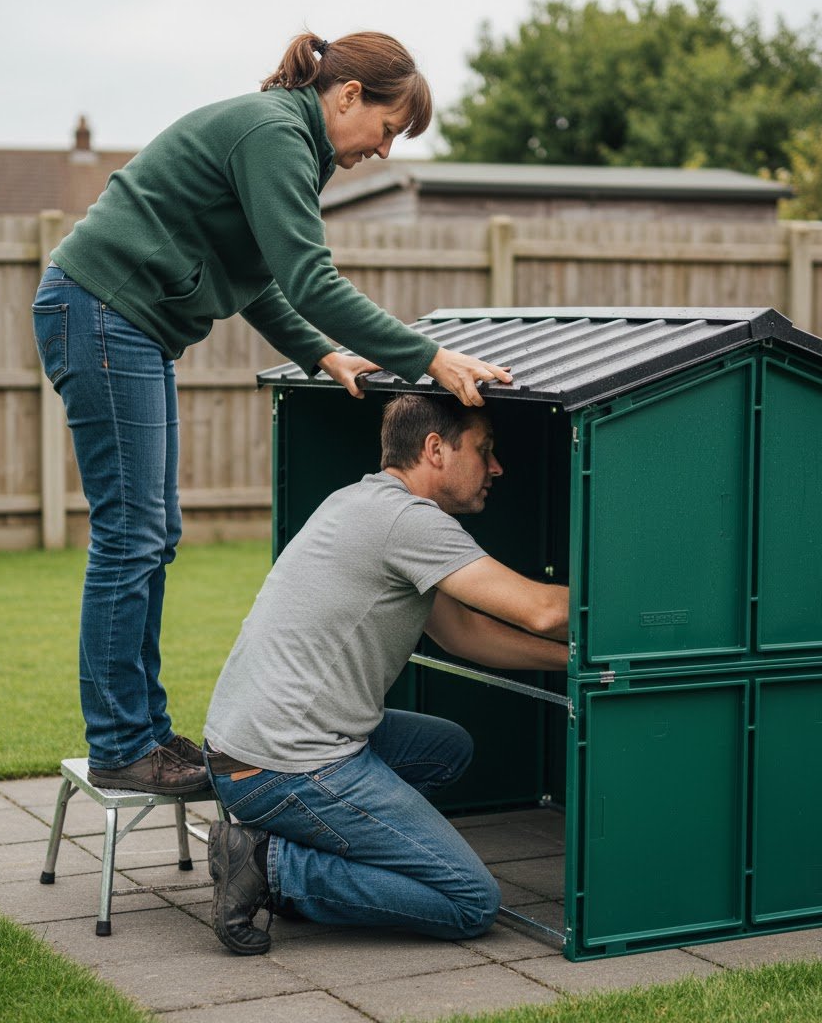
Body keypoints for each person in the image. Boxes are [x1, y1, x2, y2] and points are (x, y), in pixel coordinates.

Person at [30, 31, 512, 795]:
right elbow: (309, 278)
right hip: (101, 312)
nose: (385, 151)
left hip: (123, 325)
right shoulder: (276, 134)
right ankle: (123, 744)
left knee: (153, 536)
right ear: (349, 96)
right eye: (389, 131)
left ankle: (145, 734)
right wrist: (428, 359)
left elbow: (254, 277)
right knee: (131, 536)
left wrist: (322, 353)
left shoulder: (291, 143)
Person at [203, 394, 569, 954]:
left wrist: (571, 660)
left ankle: (304, 837)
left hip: (247, 743)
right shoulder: (408, 521)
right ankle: (268, 863)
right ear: (435, 449)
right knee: (471, 901)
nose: (497, 467)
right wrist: (638, 595)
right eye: (484, 449)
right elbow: (542, 610)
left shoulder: (364, 501)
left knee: (447, 749)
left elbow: (461, 633)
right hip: (284, 764)